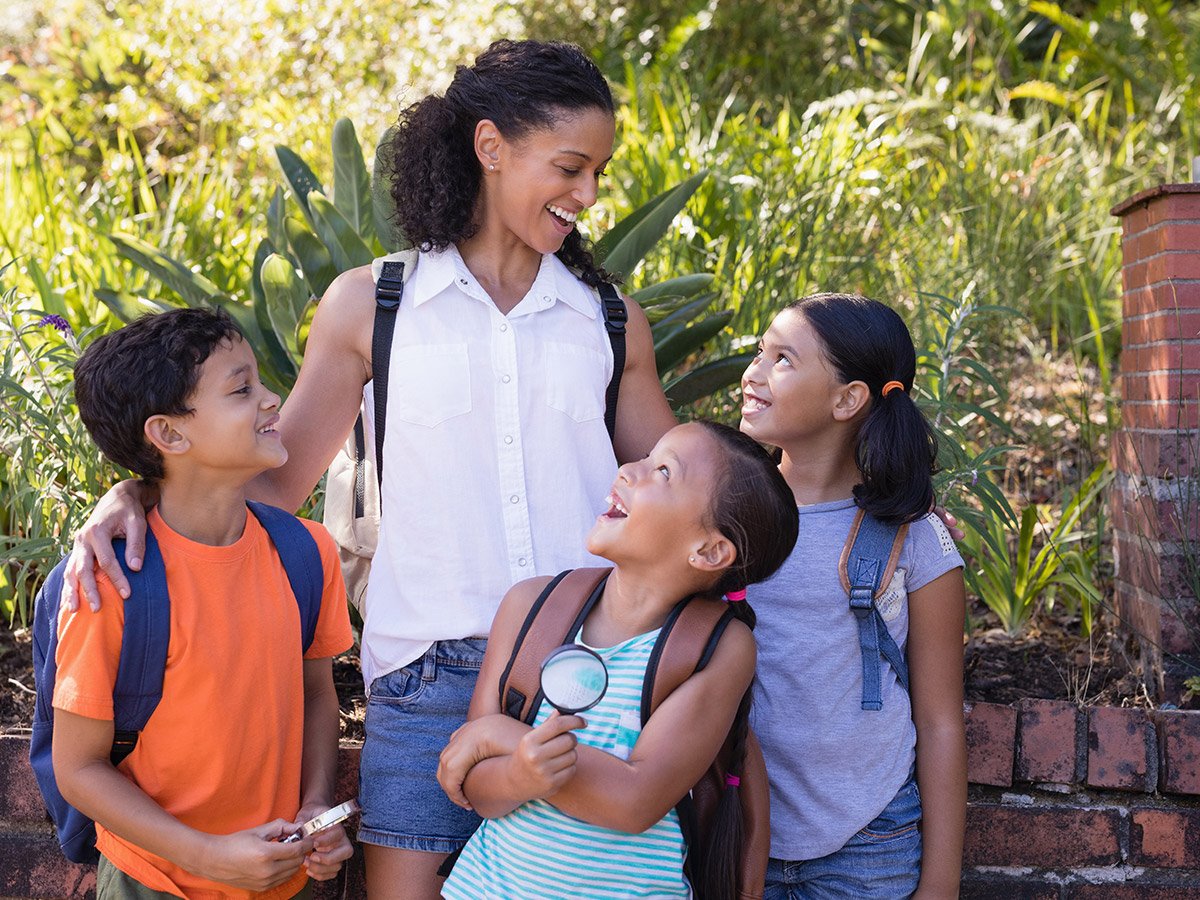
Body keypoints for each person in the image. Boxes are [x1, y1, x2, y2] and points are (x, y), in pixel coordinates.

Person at [60, 39, 678, 899]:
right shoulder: (372, 304)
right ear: (490, 147)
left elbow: (688, 496)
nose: (589, 195)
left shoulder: (610, 323)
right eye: (570, 167)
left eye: (599, 172)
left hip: (584, 673)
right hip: (426, 682)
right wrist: (130, 490)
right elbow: (270, 484)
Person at [52, 308, 354, 898]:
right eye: (242, 389)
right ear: (168, 434)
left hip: (278, 879)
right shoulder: (114, 581)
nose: (273, 401)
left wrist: (317, 807)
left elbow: (317, 692)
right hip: (155, 882)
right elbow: (78, 768)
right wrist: (208, 856)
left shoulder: (305, 552)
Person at [436, 421, 798, 899]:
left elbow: (634, 799)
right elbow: (472, 783)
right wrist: (517, 774)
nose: (629, 469)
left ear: (709, 550)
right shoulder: (529, 608)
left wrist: (501, 737)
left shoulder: (718, 649)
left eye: (663, 471)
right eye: (646, 456)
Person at [739, 293, 967, 899]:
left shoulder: (913, 537)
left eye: (782, 358)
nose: (753, 372)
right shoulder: (725, 515)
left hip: (870, 842)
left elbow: (941, 719)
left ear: (848, 399)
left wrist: (941, 882)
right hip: (736, 837)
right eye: (760, 351)